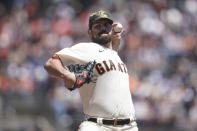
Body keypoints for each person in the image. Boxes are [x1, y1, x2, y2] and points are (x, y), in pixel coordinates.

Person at [44, 10, 138, 131]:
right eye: (97, 26)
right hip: (98, 125)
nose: (103, 28)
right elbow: (51, 63)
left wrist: (114, 45)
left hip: (128, 126)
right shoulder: (87, 48)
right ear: (90, 32)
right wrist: (66, 74)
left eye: (106, 25)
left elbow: (107, 55)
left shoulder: (116, 55)